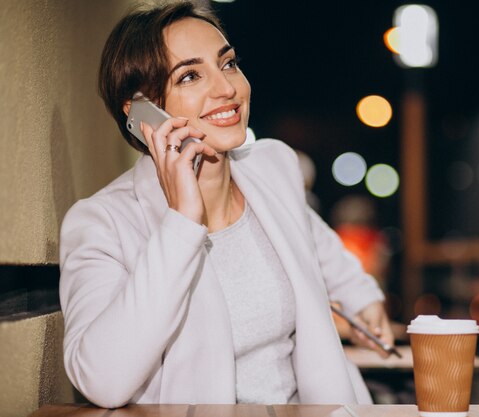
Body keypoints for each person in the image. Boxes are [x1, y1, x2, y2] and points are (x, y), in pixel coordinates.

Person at [59, 1, 394, 409]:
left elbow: (319, 246)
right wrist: (182, 221)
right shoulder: (103, 222)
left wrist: (363, 298)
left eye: (229, 64)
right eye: (190, 75)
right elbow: (101, 380)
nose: (227, 89)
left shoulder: (273, 167)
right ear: (141, 114)